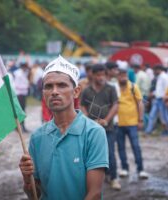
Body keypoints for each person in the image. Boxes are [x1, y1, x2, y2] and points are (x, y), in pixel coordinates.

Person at [19, 55, 109, 200]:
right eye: (48, 86)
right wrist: (26, 179)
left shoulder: (93, 133)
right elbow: (35, 195)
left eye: (62, 85)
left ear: (76, 91)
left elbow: (94, 194)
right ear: (43, 93)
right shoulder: (37, 137)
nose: (54, 91)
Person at [81, 64, 120, 190]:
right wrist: (88, 120)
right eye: (98, 75)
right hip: (91, 130)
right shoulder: (86, 90)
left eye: (103, 74)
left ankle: (113, 178)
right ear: (92, 75)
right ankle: (93, 180)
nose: (101, 77)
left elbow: (115, 105)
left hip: (108, 128)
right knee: (90, 154)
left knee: (110, 153)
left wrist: (106, 120)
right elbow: (82, 106)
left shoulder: (111, 88)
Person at [116, 65, 149, 179]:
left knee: (136, 146)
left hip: (132, 123)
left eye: (124, 75)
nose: (123, 77)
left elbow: (140, 103)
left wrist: (140, 120)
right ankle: (124, 168)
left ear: (127, 76)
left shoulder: (133, 87)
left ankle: (141, 170)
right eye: (120, 75)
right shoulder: (115, 88)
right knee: (121, 147)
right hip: (118, 124)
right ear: (117, 77)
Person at [145, 65, 168, 135]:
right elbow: (159, 89)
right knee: (152, 115)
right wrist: (153, 94)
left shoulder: (164, 77)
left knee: (165, 116)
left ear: (158, 69)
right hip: (157, 98)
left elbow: (167, 89)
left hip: (162, 99)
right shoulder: (159, 77)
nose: (153, 72)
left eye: (154, 70)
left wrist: (166, 99)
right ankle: (148, 131)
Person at [13, 62, 30, 132]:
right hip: (20, 94)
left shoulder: (24, 73)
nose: (26, 68)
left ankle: (22, 126)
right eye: (25, 67)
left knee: (23, 111)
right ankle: (18, 127)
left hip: (23, 94)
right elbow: (17, 85)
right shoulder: (18, 74)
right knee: (20, 111)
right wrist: (26, 87)